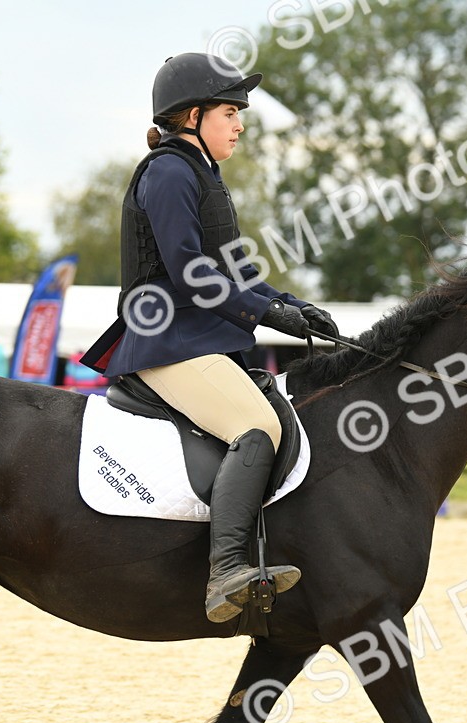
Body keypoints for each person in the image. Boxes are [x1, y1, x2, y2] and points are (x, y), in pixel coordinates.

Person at [83, 53, 338, 623]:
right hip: (168, 341)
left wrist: (297, 309)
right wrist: (271, 314)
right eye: (230, 111)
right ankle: (226, 571)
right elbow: (190, 272)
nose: (241, 124)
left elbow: (237, 274)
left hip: (198, 340)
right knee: (257, 428)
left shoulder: (203, 173)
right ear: (192, 115)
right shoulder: (170, 171)